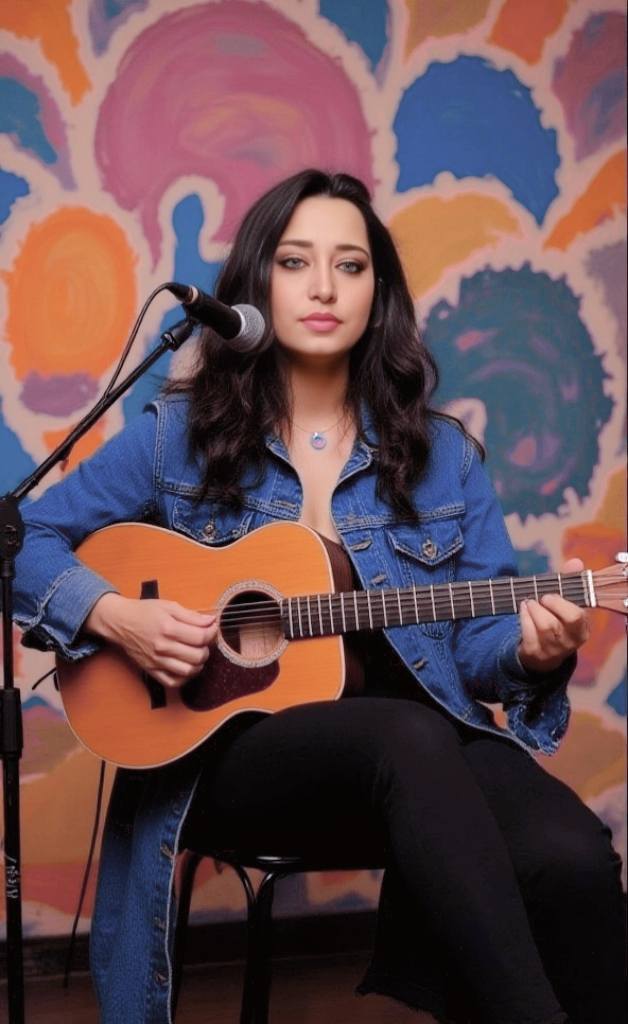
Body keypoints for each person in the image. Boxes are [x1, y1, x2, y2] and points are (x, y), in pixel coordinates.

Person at [14, 169, 625, 1024]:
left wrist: (530, 652)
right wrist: (117, 615)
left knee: (571, 855)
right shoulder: (175, 439)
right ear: (257, 284)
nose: (325, 287)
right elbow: (22, 540)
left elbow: (480, 644)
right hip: (232, 759)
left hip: (422, 755)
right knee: (404, 737)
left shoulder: (444, 455)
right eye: (297, 262)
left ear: (379, 294)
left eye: (351, 265)